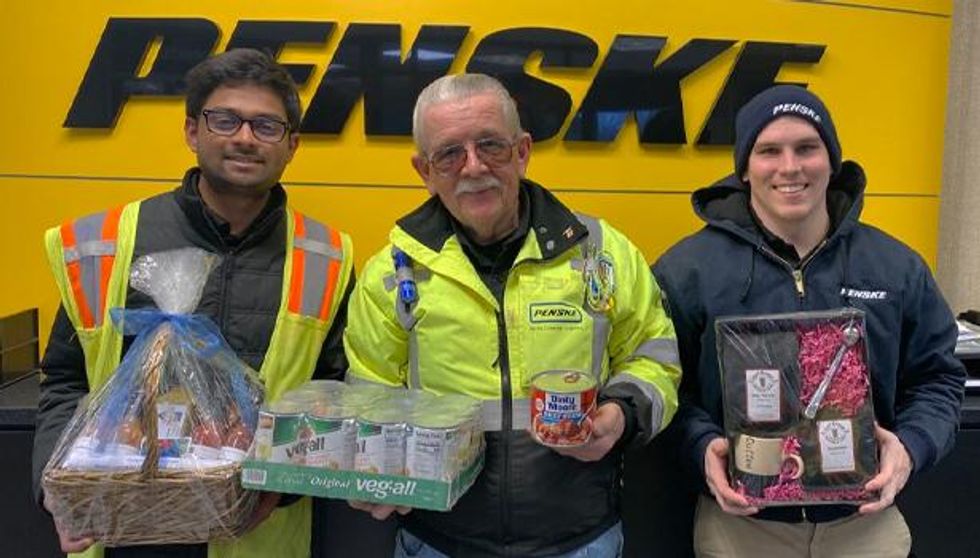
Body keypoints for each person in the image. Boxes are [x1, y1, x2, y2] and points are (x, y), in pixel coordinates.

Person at [32, 48, 355, 558]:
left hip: (258, 535)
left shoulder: (327, 256)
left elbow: (333, 394)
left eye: (266, 126)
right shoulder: (108, 242)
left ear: (292, 144)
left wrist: (281, 488)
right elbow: (66, 382)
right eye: (225, 119)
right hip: (119, 532)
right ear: (191, 131)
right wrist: (57, 491)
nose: (245, 137)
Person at [342, 73, 682, 557]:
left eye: (491, 146)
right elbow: (370, 394)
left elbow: (655, 354)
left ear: (522, 151)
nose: (473, 166)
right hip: (438, 543)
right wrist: (371, 471)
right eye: (450, 153)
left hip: (581, 541)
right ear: (425, 170)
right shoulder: (391, 273)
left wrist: (622, 416)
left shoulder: (601, 253)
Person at [652, 85, 965, 557]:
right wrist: (702, 447)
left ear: (832, 160)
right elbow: (665, 387)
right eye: (769, 151)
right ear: (744, 167)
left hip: (865, 526)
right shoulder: (688, 271)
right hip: (742, 529)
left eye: (807, 148)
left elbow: (938, 379)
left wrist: (912, 446)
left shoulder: (894, 267)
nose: (790, 167)